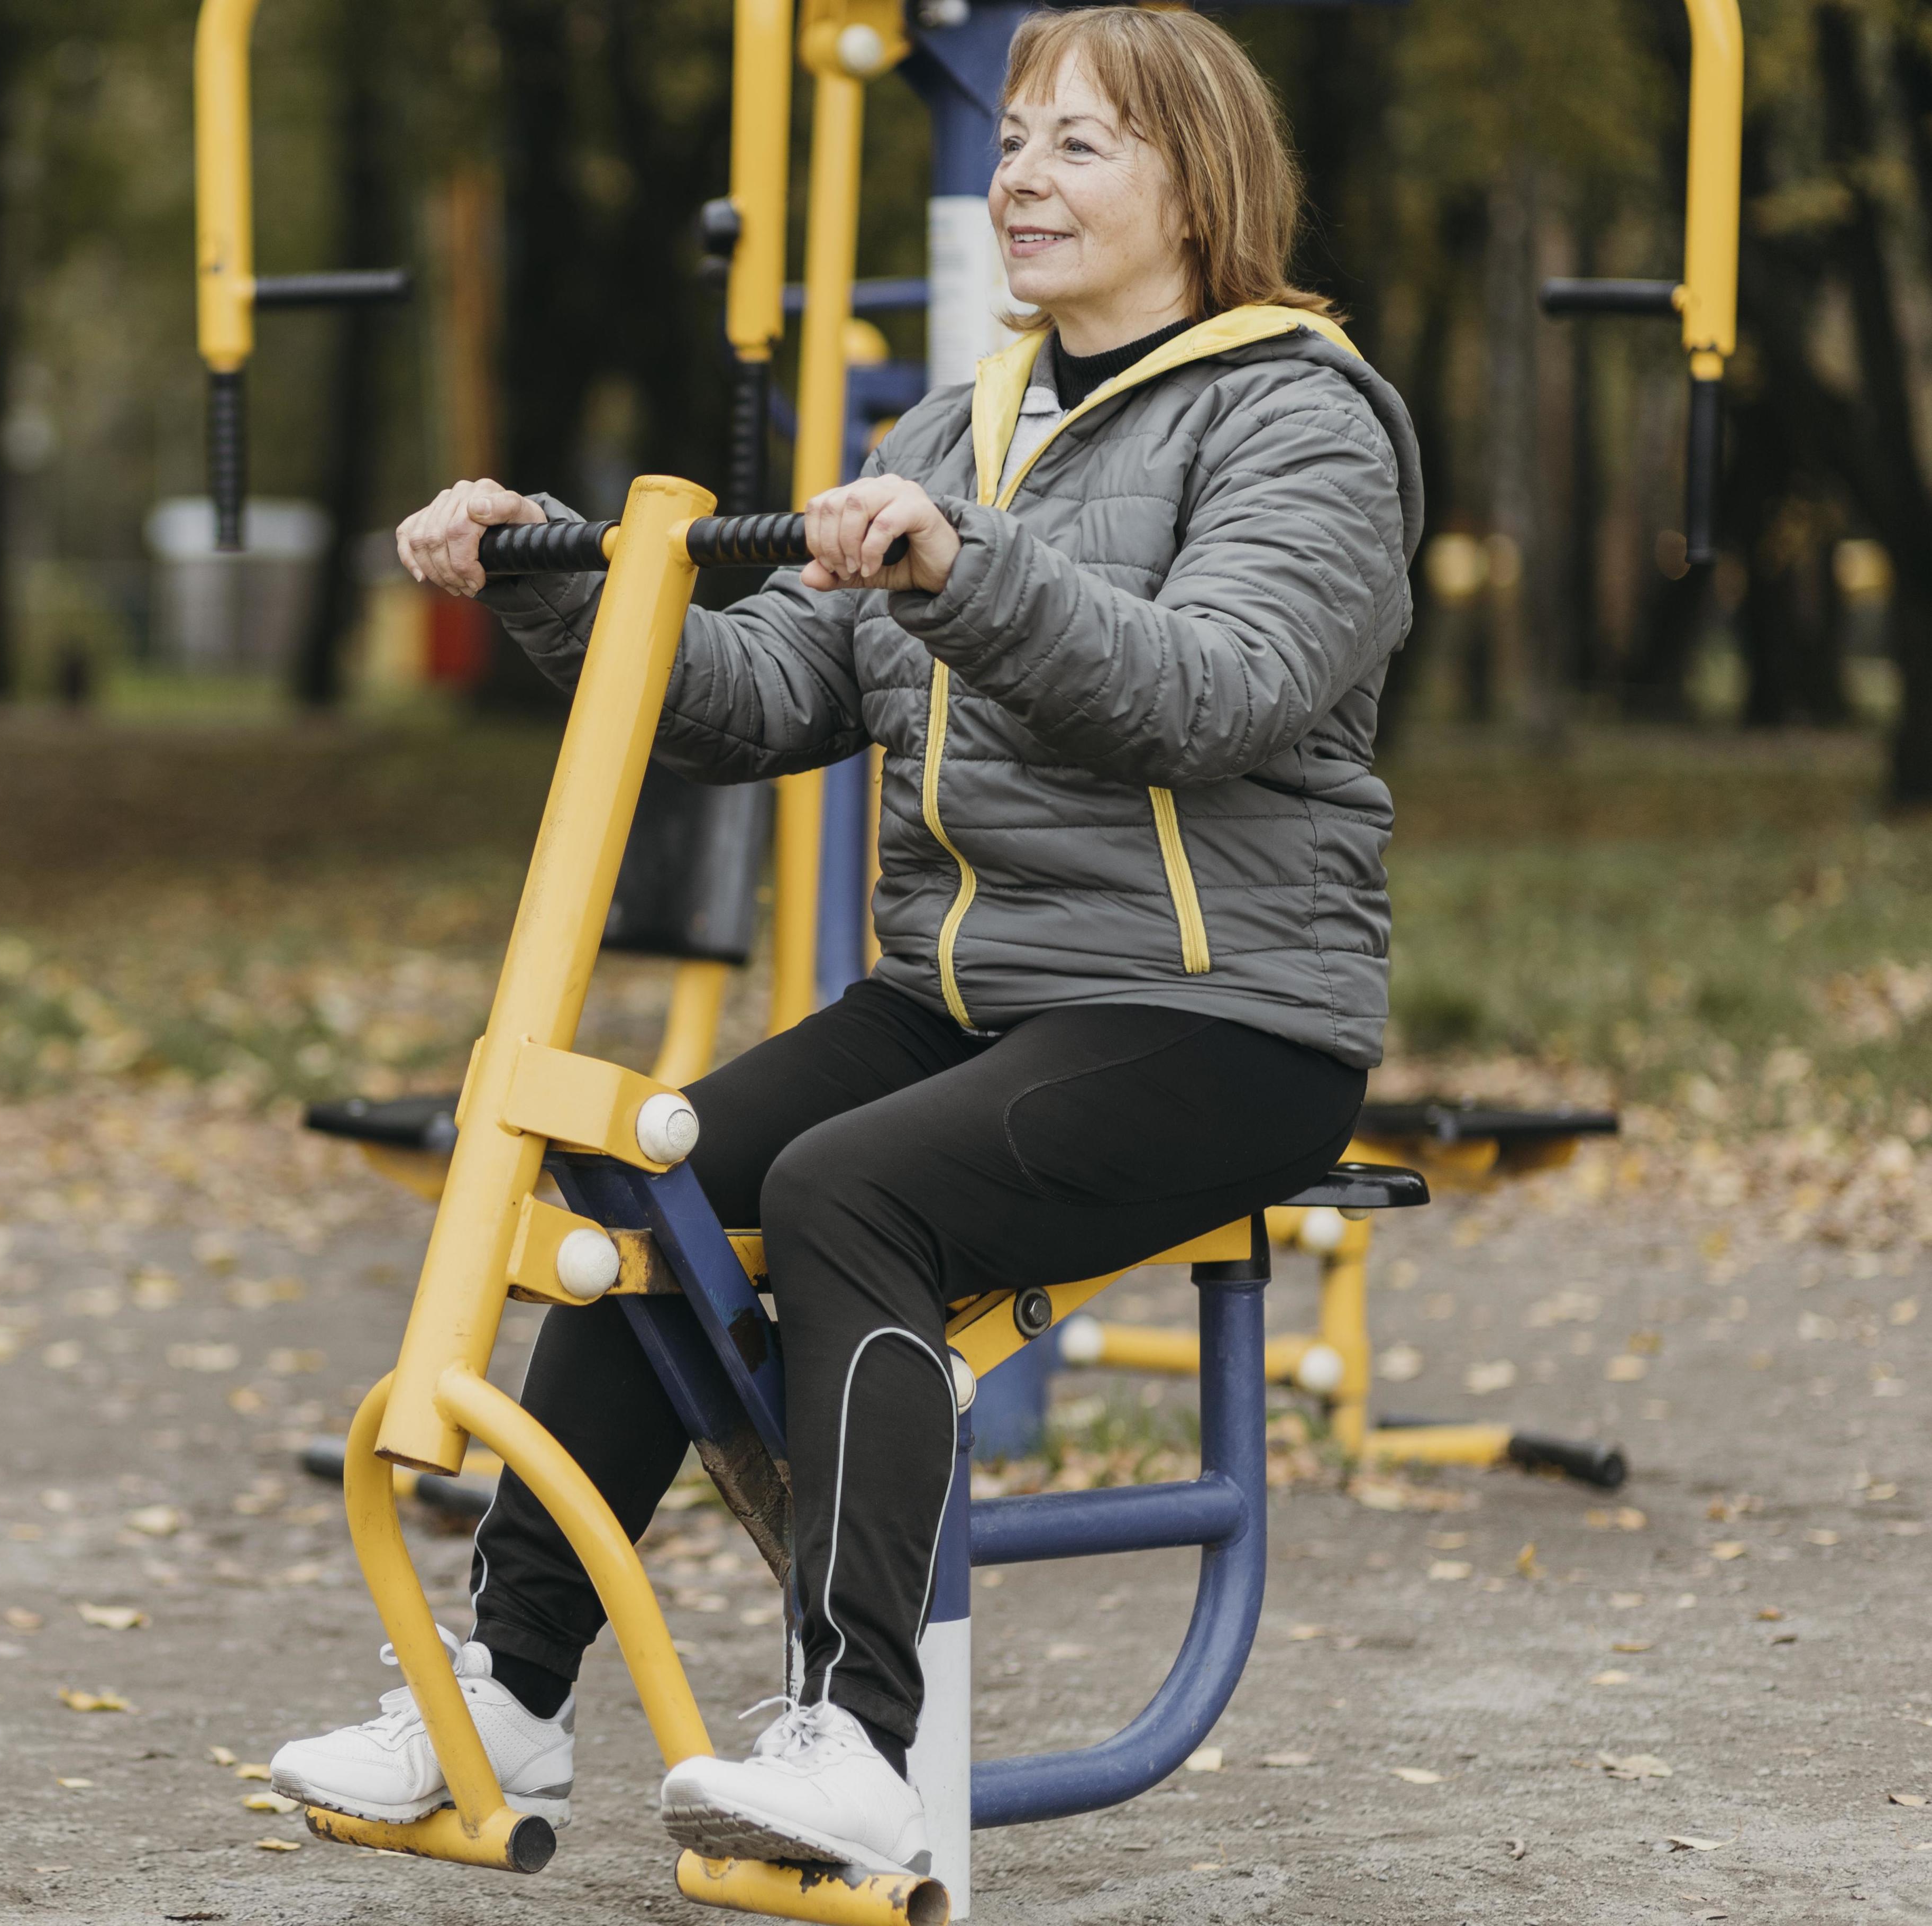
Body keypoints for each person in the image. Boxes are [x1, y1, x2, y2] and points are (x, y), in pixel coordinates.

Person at [269, 6, 1422, 1878]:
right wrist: (560, 578)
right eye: (1016, 137)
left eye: (1079, 145)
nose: (1021, 174)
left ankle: (850, 1741)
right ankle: (502, 1690)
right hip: (963, 998)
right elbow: (749, 698)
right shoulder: (954, 423)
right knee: (648, 1171)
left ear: (1195, 188)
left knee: (847, 1192)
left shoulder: (1301, 416)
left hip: (1219, 1015)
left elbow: (1211, 692)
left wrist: (968, 570)